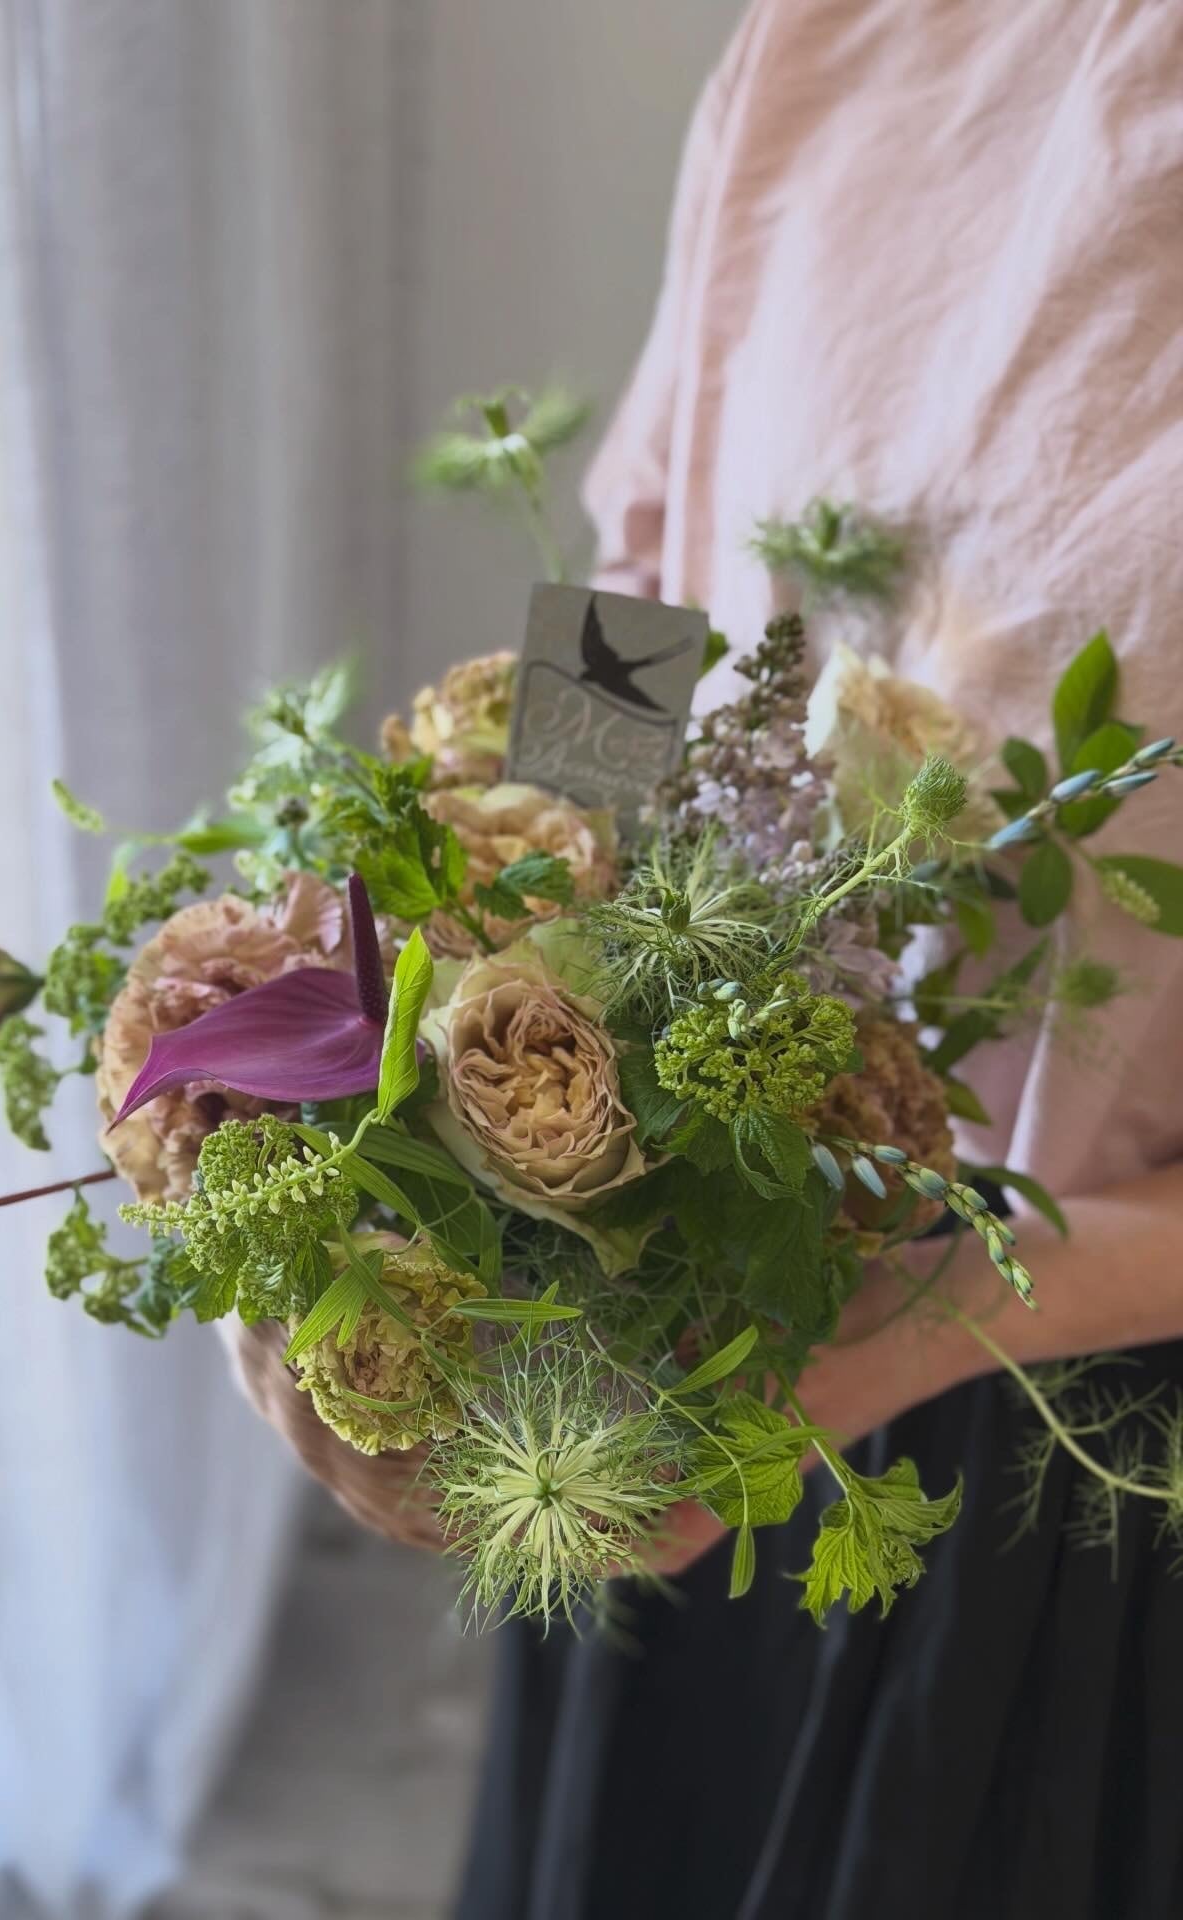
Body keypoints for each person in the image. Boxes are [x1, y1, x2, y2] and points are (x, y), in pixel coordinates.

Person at [448, 4, 1183, 1916]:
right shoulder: (836, 34)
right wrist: (483, 972)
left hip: (1104, 1508)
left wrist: (933, 1308)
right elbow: (635, 588)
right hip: (703, 1293)